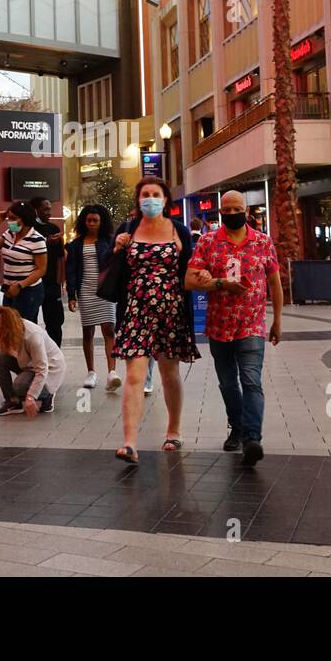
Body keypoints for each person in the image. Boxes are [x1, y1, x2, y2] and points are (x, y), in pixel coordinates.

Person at [185, 190, 282, 467]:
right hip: (219, 326)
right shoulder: (207, 242)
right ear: (219, 212)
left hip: (252, 325)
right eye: (225, 210)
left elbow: (274, 282)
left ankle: (252, 438)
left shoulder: (263, 242)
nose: (230, 214)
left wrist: (278, 320)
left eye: (235, 209)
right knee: (228, 383)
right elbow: (190, 281)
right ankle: (237, 428)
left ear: (246, 211)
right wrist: (218, 283)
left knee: (251, 381)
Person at [112, 177, 199, 464]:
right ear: (138, 200)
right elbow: (110, 266)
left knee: (168, 373)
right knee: (135, 375)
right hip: (136, 309)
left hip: (170, 309)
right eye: (145, 194)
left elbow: (191, 269)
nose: (149, 199)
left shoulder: (179, 231)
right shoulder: (127, 230)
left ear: (165, 200)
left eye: (155, 194)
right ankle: (129, 443)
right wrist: (117, 247)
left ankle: (173, 430)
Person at [65, 204, 119, 391]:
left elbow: (115, 266)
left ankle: (112, 373)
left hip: (105, 292)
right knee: (87, 332)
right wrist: (71, 295)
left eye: (95, 220)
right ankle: (91, 372)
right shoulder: (75, 245)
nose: (92, 223)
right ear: (83, 222)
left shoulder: (109, 242)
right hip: (85, 291)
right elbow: (70, 271)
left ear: (102, 221)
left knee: (109, 330)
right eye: (89, 220)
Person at [0, 306, 65, 417]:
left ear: (10, 326)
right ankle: (13, 401)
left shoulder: (33, 336)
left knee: (19, 386)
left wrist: (30, 397)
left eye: (2, 329)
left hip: (50, 369)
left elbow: (42, 369)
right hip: (29, 364)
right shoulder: (13, 329)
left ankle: (48, 394)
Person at [0, 200, 47, 322]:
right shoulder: (10, 234)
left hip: (28, 291)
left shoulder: (37, 239)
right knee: (9, 327)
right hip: (9, 289)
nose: (9, 221)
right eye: (8, 218)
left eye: (13, 218)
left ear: (24, 219)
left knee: (22, 329)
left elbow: (41, 269)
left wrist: (20, 285)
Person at [30, 196, 66, 348]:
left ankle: (55, 353)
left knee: (55, 322)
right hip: (32, 282)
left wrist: (60, 283)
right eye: (45, 209)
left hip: (51, 284)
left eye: (49, 209)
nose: (48, 212)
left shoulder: (54, 229)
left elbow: (60, 258)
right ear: (36, 210)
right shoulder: (29, 228)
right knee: (30, 322)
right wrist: (46, 241)